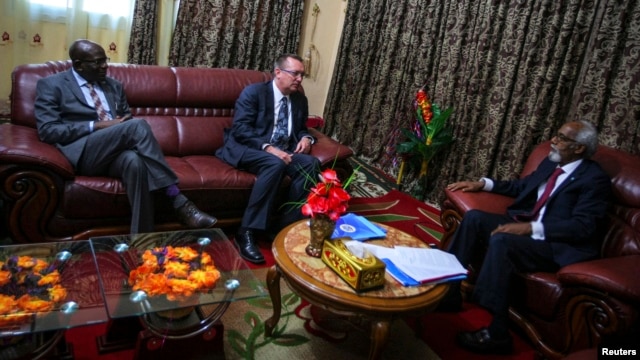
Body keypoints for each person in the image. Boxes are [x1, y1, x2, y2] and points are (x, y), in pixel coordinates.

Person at [441, 120, 611, 354]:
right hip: (526, 226)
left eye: (561, 138)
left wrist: (532, 229)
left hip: (555, 244)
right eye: (556, 134)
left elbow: (583, 227)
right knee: (475, 218)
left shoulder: (594, 179)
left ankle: (497, 334)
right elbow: (522, 188)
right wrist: (483, 184)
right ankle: (448, 292)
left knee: (502, 240)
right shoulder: (552, 163)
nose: (554, 140)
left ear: (579, 148)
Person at [34, 39, 217, 234]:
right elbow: (48, 130)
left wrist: (120, 126)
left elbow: (124, 116)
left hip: (115, 151)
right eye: (97, 62)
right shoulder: (51, 85)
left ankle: (142, 240)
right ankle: (177, 199)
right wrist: (96, 125)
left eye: (105, 60)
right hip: (84, 153)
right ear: (78, 65)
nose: (105, 66)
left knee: (134, 162)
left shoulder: (113, 85)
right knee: (137, 126)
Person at [217, 54, 320, 264]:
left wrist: (306, 139)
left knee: (311, 164)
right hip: (249, 147)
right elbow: (241, 129)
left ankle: (283, 227)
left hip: (284, 151)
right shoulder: (254, 93)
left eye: (302, 75)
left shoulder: (299, 99)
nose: (299, 79)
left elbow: (301, 129)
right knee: (275, 163)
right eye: (295, 74)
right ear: (278, 72)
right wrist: (269, 148)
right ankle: (246, 232)